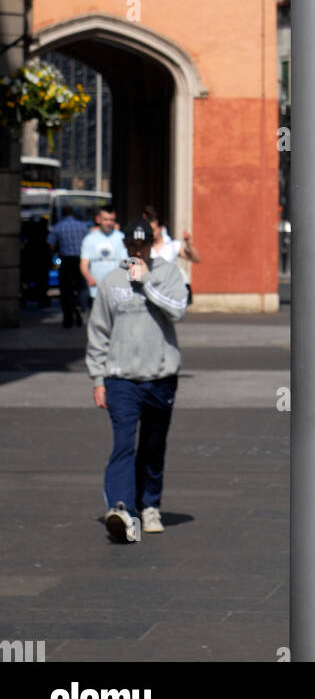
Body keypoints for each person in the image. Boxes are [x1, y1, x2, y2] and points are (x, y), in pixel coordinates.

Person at [85, 216, 188, 543]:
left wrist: (147, 283)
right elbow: (98, 331)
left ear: (151, 245)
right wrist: (98, 377)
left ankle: (150, 506)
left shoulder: (169, 273)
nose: (138, 250)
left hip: (160, 377)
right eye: (132, 244)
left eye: (143, 244)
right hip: (121, 379)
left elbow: (178, 310)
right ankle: (122, 509)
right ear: (125, 244)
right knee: (123, 445)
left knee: (153, 446)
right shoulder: (111, 281)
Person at [47, 207, 88, 328]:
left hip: (66, 260)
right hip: (80, 260)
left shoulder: (58, 227)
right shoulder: (82, 226)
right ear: (73, 213)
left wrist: (51, 259)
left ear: (63, 214)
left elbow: (49, 243)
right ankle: (80, 311)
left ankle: (68, 318)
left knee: (66, 290)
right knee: (80, 288)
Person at [79, 207, 126, 307]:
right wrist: (89, 278)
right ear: (98, 219)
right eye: (105, 219)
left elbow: (125, 261)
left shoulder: (122, 238)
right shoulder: (89, 239)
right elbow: (84, 264)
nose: (108, 223)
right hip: (96, 290)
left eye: (111, 220)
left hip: (117, 290)